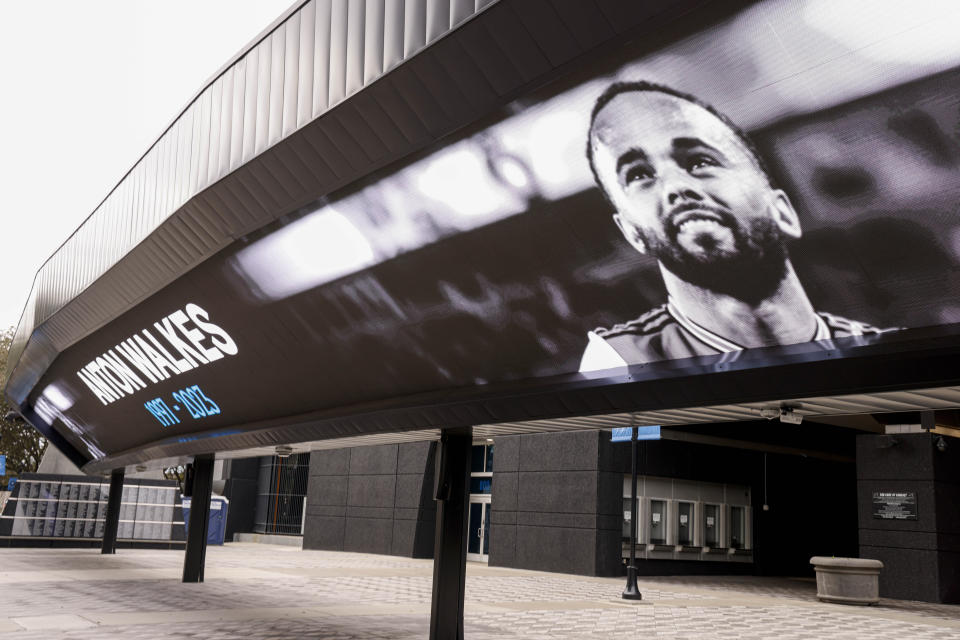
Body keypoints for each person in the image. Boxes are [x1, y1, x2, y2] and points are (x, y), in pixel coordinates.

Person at [580, 81, 888, 371]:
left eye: (700, 161)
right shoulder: (622, 363)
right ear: (632, 232)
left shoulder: (884, 355)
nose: (675, 186)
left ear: (782, 211)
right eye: (638, 176)